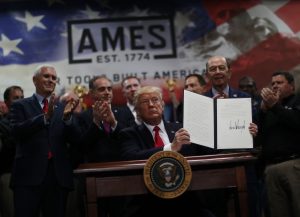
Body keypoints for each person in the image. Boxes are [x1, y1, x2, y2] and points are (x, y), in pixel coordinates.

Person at [118, 86, 223, 217]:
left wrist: (214, 120)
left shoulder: (182, 129)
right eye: (145, 102)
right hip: (148, 201)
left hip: (187, 198)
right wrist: (170, 148)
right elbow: (131, 157)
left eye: (155, 100)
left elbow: (207, 152)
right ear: (137, 110)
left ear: (162, 104)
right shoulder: (129, 134)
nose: (151, 105)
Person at [9, 65, 80, 217]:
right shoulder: (19, 105)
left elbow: (77, 141)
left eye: (54, 78)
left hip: (58, 178)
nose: (51, 80)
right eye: (46, 76)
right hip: (27, 178)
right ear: (35, 80)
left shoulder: (63, 109)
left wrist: (68, 120)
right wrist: (44, 118)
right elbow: (15, 132)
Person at [203, 55, 260, 217]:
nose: (218, 72)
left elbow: (256, 130)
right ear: (207, 75)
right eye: (213, 69)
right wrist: (210, 111)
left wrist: (254, 131)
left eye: (222, 68)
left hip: (242, 162)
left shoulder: (244, 98)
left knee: (249, 208)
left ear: (229, 72)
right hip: (213, 165)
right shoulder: (201, 102)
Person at [77, 75, 132, 217]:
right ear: (92, 93)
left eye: (109, 89)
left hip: (121, 177)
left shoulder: (125, 113)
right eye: (102, 89)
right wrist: (95, 123)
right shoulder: (82, 117)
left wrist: (114, 123)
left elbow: (130, 141)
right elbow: (80, 146)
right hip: (94, 179)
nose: (107, 92)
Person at [257, 71, 300, 217]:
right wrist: (263, 112)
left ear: (292, 86)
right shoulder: (270, 110)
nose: (275, 86)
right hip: (270, 169)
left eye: (279, 83)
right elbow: (259, 138)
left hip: (293, 165)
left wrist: (275, 106)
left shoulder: (297, 101)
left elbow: (296, 122)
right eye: (273, 83)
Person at [0, 85, 24, 217]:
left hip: (32, 177)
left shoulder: (32, 119)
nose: (20, 100)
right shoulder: (2, 123)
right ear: (7, 102)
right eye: (16, 98)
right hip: (9, 175)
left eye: (22, 97)